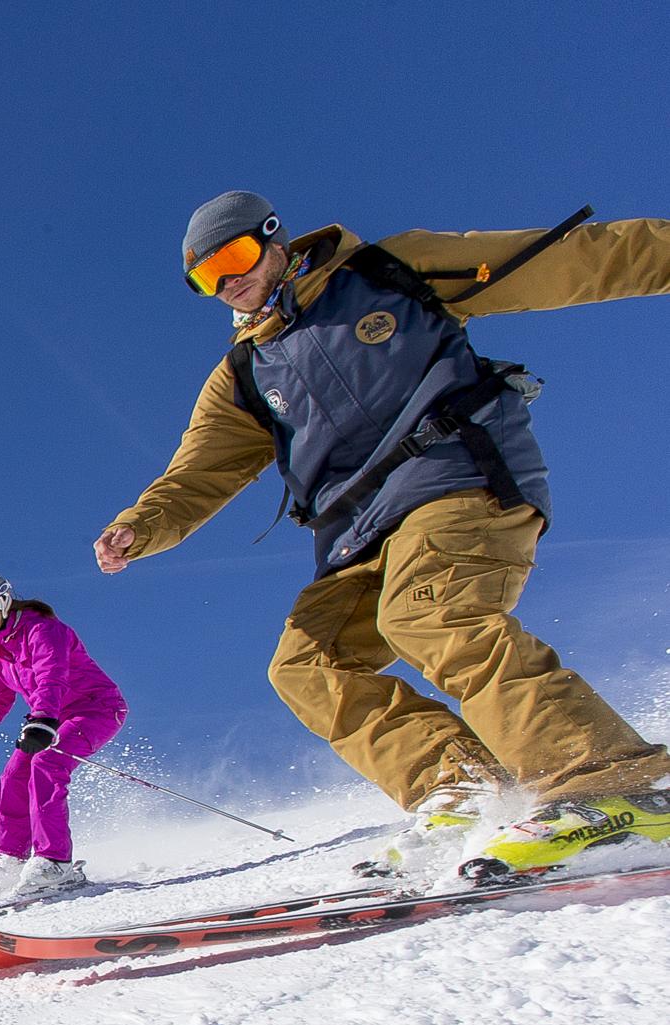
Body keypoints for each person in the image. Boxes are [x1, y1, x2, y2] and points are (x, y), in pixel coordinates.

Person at [94, 191, 670, 876]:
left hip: (454, 474)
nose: (229, 284)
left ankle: (612, 785)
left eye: (236, 258)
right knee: (309, 666)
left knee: (432, 615)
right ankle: (459, 786)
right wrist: (140, 526)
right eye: (206, 278)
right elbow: (199, 472)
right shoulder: (244, 375)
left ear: (276, 239)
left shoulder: (386, 272)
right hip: (358, 533)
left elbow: (566, 259)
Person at [0, 571, 129, 897]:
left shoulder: (43, 630)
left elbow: (51, 676)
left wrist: (42, 719)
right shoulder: (0, 654)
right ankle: (12, 859)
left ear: (2, 598)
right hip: (51, 719)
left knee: (47, 763)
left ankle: (54, 862)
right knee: (14, 776)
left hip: (95, 710)